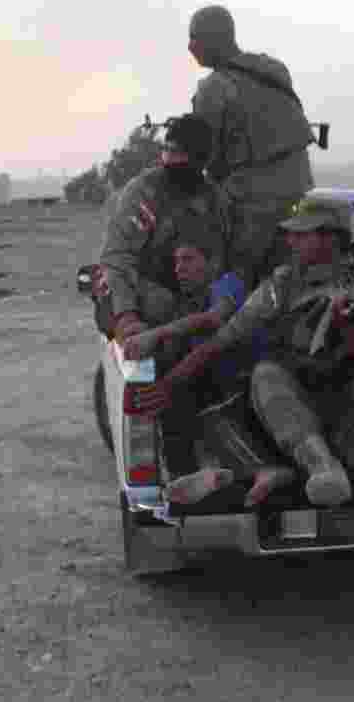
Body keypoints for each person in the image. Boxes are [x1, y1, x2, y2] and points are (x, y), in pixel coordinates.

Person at [129, 194, 354, 506]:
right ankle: (322, 465)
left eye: (301, 234)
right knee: (265, 375)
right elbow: (223, 340)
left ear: (330, 237)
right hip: (302, 400)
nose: (290, 241)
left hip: (351, 400)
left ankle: (350, 443)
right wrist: (169, 384)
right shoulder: (281, 286)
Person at [96, 113, 229, 482]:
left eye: (183, 159)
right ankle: (178, 465)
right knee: (156, 365)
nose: (172, 165)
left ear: (203, 161)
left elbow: (222, 263)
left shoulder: (215, 201)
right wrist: (126, 318)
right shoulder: (144, 193)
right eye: (168, 155)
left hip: (192, 311)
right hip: (140, 301)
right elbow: (117, 260)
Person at [121, 238, 294, 508]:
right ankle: (208, 473)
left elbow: (214, 319)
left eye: (188, 259)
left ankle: (257, 471)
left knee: (215, 417)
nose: (179, 268)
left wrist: (156, 334)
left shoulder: (227, 284)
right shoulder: (190, 304)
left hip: (256, 381)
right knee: (193, 415)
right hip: (225, 388)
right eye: (176, 263)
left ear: (211, 264)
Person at [188, 4, 316, 286]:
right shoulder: (274, 69)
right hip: (301, 195)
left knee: (223, 276)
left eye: (194, 38)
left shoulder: (212, 89)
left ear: (213, 39)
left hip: (252, 210)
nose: (190, 47)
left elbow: (207, 160)